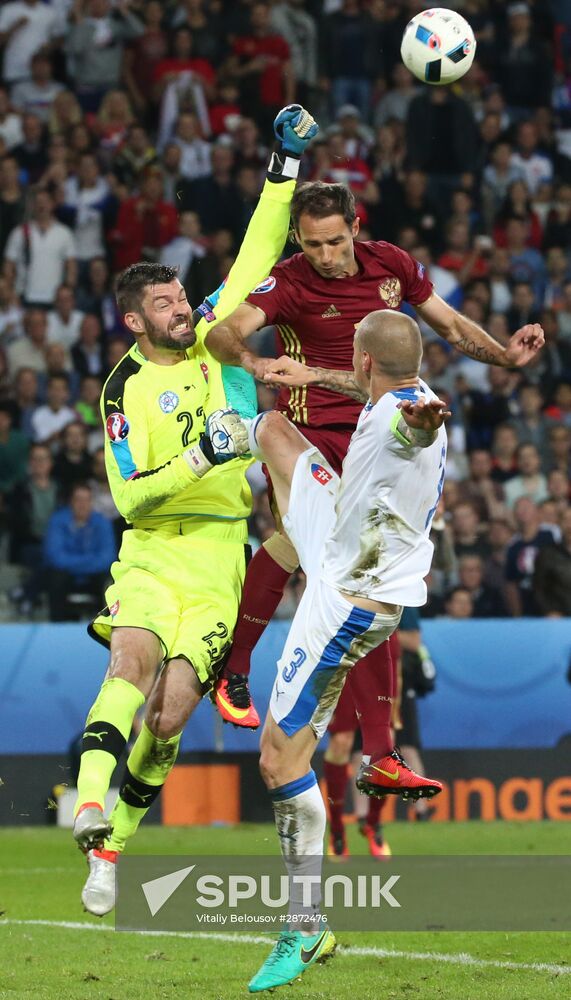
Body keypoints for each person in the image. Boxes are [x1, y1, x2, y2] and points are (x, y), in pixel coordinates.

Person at [70, 105, 318, 918]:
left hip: (219, 555)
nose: (186, 310)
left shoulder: (216, 332)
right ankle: (88, 803)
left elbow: (256, 245)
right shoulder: (121, 391)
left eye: (184, 298)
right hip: (151, 550)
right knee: (129, 666)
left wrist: (283, 164)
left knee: (172, 715)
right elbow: (129, 494)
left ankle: (112, 850)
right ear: (136, 322)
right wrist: (201, 456)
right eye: (170, 307)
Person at [205, 179, 544, 727]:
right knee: (293, 546)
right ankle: (235, 670)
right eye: (312, 245)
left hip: (376, 436)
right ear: (297, 239)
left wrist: (504, 356)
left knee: (370, 578)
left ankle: (379, 748)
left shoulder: (391, 266)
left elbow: (452, 325)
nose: (326, 256)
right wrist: (254, 362)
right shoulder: (289, 282)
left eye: (335, 242)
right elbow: (224, 333)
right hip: (309, 434)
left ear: (356, 229)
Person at [242, 309, 448, 993]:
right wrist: (311, 376)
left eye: (350, 360)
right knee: (273, 428)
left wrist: (424, 424)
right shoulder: (388, 393)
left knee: (278, 757)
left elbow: (411, 429)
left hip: (349, 599)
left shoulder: (405, 418)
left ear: (362, 363)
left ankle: (305, 925)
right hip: (337, 540)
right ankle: (218, 442)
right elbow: (390, 405)